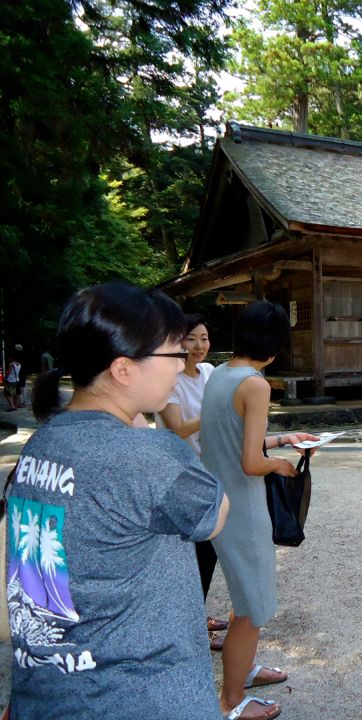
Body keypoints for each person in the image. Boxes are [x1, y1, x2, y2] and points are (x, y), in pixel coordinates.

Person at [7, 281, 229, 718]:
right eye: (174, 354)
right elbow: (215, 514)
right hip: (140, 696)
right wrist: (144, 429)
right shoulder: (146, 455)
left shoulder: (43, 443)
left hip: (52, 693)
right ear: (124, 369)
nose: (182, 363)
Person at [200, 301, 318, 720]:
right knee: (252, 607)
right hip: (244, 507)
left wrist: (283, 440)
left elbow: (230, 440)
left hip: (221, 499)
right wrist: (281, 465)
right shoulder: (255, 384)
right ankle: (231, 700)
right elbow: (251, 463)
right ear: (275, 344)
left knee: (243, 597)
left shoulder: (220, 373)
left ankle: (243, 670)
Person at [156, 314, 228, 649]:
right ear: (177, 342)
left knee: (206, 552)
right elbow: (179, 428)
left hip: (209, 471)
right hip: (180, 476)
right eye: (191, 339)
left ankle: (195, 616)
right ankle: (190, 626)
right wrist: (216, 411)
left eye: (204, 338)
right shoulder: (169, 381)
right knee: (193, 553)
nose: (199, 346)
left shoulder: (210, 372)